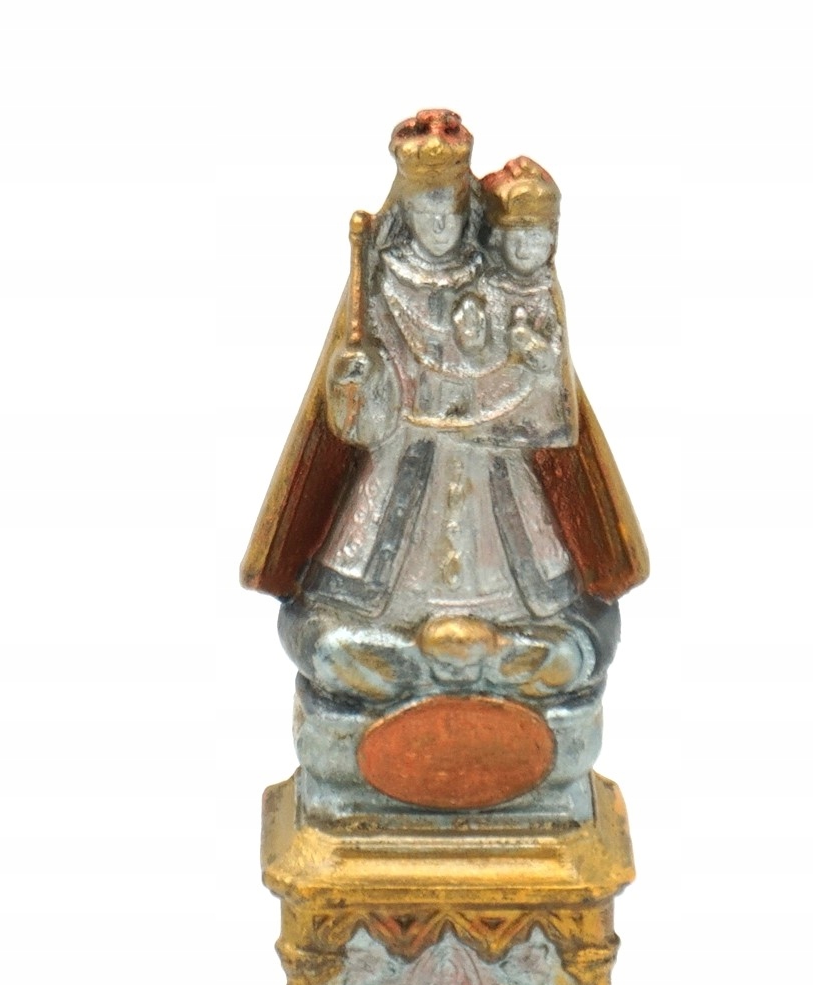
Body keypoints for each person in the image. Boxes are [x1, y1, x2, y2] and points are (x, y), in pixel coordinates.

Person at [240, 111, 648, 816]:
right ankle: (417, 687)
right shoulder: (379, 286)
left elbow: (547, 419)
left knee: (575, 645)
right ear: (403, 209)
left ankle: (492, 687)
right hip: (396, 495)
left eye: (450, 211)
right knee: (331, 648)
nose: (437, 225)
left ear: (468, 215)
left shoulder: (502, 287)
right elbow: (357, 427)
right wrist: (358, 382)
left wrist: (511, 382)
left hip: (500, 495)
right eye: (425, 209)